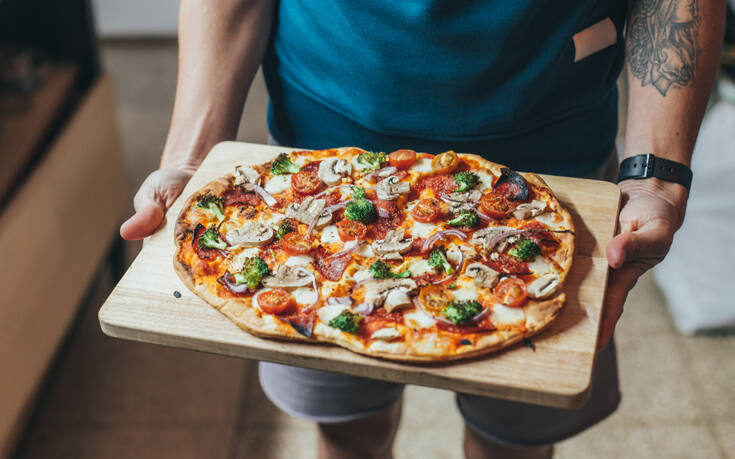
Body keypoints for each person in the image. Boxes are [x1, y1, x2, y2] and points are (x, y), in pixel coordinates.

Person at [120, 1, 725, 457]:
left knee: (514, 444)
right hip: (305, 177)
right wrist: (192, 161)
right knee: (348, 432)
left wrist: (655, 178)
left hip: (552, 162)